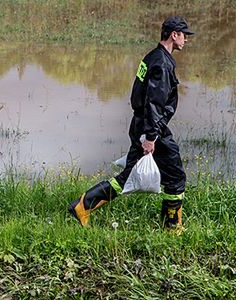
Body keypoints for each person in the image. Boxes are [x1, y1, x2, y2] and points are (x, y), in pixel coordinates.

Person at [68, 16, 194, 232]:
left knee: (127, 177)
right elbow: (154, 102)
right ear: (174, 35)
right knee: (175, 175)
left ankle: (83, 206)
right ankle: (172, 227)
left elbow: (139, 95)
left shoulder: (152, 57)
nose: (186, 40)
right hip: (152, 128)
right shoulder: (162, 64)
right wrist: (151, 137)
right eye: (184, 35)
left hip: (142, 124)